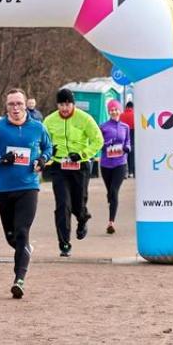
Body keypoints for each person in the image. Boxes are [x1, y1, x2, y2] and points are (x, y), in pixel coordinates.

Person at [0, 87, 52, 298]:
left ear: (25, 105)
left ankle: (19, 279)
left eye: (19, 103)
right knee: (12, 238)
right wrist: (1, 159)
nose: (16, 108)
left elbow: (48, 149)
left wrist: (42, 160)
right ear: (6, 106)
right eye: (11, 104)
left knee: (22, 231)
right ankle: (25, 249)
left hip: (29, 187)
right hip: (4, 189)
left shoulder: (37, 127)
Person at [43, 88, 103, 256]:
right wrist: (50, 151)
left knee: (78, 204)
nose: (65, 108)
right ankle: (64, 243)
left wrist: (83, 154)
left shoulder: (85, 118)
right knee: (63, 204)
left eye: (68, 104)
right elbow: (41, 141)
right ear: (57, 105)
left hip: (80, 166)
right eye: (61, 104)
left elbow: (98, 140)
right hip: (59, 166)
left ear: (73, 104)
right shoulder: (49, 120)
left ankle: (83, 218)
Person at [99, 99, 131, 234]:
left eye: (116, 109)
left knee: (114, 190)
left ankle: (111, 222)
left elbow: (128, 141)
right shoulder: (103, 127)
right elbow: (99, 144)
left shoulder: (125, 127)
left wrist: (127, 147)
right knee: (110, 192)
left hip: (120, 163)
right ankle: (111, 198)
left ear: (120, 110)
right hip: (106, 164)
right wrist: (107, 144)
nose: (114, 112)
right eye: (111, 110)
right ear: (109, 111)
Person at [119, 101, 136, 177]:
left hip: (123, 134)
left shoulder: (121, 115)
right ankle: (131, 172)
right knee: (132, 154)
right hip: (132, 135)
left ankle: (124, 173)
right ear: (133, 107)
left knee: (124, 154)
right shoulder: (135, 115)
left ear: (126, 107)